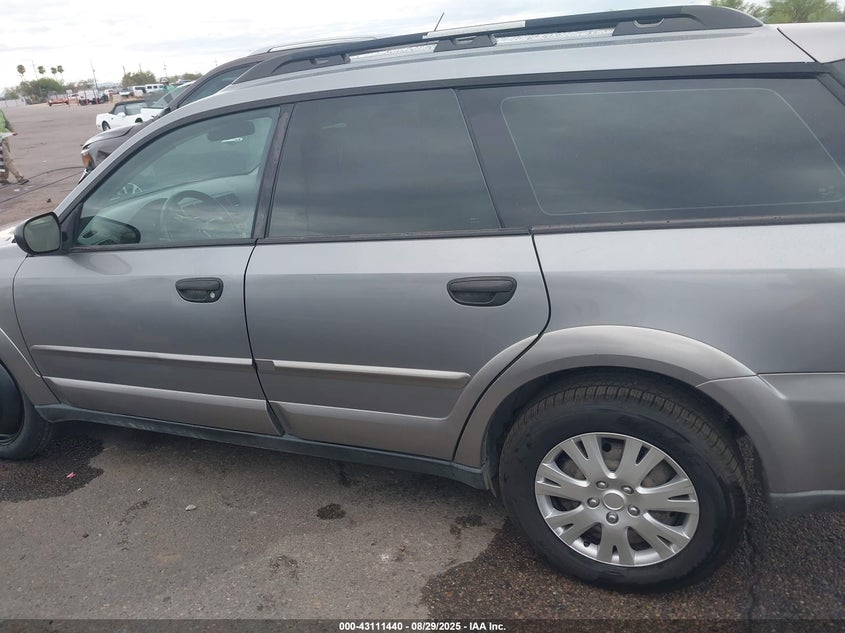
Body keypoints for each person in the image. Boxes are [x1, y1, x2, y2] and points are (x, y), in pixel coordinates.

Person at [0, 109, 28, 186]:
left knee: (3, 158)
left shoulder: (0, 111)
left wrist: (12, 130)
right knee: (8, 158)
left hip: (4, 137)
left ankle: (2, 178)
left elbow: (6, 122)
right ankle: (19, 177)